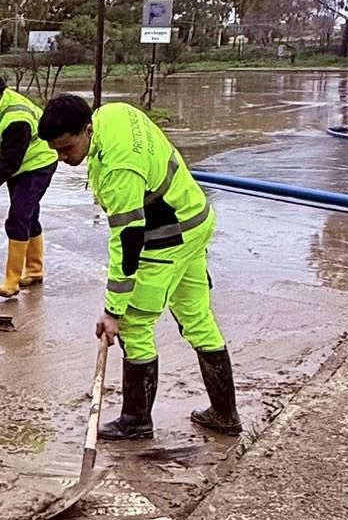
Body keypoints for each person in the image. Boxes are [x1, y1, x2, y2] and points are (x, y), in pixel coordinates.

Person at [37, 94, 241, 441]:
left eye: (67, 148)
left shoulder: (119, 170)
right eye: (55, 151)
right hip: (193, 217)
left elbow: (128, 241)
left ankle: (136, 420)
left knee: (134, 324)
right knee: (197, 317)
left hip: (167, 234)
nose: (63, 158)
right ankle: (224, 413)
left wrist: (113, 311)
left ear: (87, 129)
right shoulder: (114, 113)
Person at [0, 72, 59, 297]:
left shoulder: (16, 118)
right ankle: (35, 271)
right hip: (18, 164)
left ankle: (12, 280)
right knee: (28, 214)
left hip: (37, 162)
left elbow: (9, 163)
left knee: (18, 216)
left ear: (1, 95)